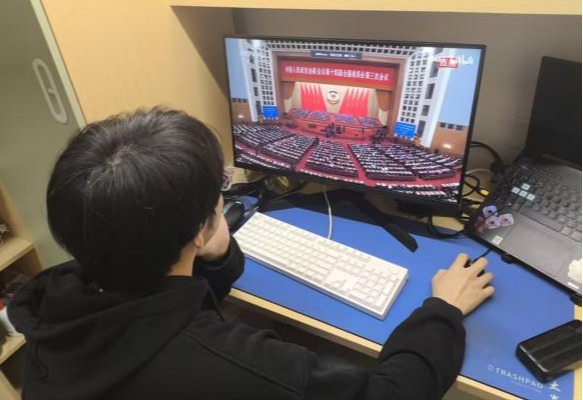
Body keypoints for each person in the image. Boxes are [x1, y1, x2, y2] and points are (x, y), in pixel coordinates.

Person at [9, 107, 495, 400]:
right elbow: (394, 392)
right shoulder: (238, 368)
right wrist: (443, 309)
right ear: (200, 226)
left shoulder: (54, 301)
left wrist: (214, 252)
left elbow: (164, 298)